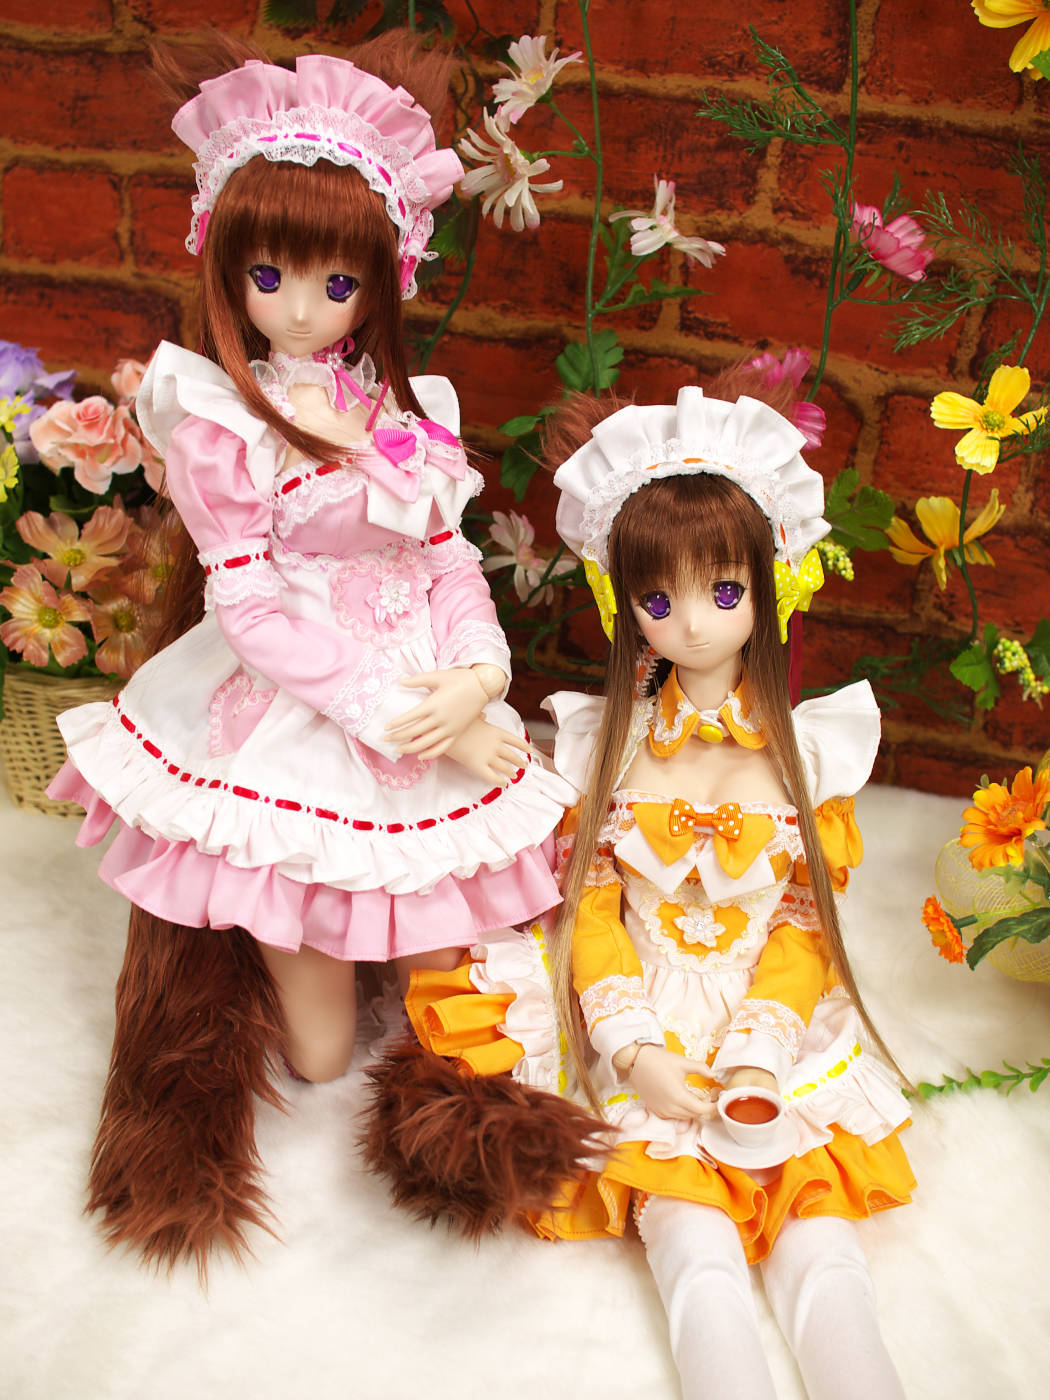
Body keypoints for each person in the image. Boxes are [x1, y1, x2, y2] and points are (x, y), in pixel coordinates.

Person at [48, 31, 573, 1273]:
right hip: (299, 689)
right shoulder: (220, 421)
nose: (298, 307)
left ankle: (417, 1005)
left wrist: (479, 676)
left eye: (335, 283)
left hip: (426, 678)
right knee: (323, 1053)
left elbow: (446, 556)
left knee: (458, 988)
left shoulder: (400, 409)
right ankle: (286, 955)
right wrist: (394, 705)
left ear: (382, 278)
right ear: (223, 262)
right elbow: (250, 609)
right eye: (268, 274)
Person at [371, 372, 915, 1399]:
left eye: (724, 591)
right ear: (626, 605)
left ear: (771, 582)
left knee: (824, 1252)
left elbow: (805, 926)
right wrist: (633, 1045)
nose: (694, 625)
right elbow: (590, 909)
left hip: (772, 1018)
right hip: (643, 1014)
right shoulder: (605, 747)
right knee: (693, 1250)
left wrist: (761, 1048)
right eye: (659, 601)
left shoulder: (813, 755)